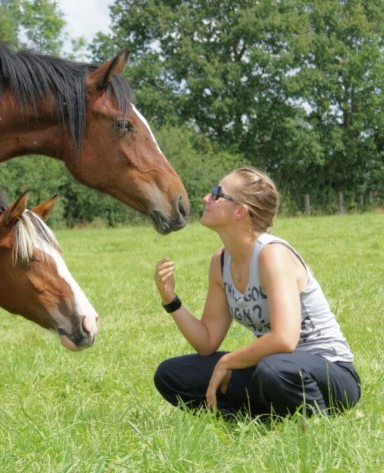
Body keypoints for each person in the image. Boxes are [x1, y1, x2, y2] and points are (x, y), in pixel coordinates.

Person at [153, 166, 360, 418]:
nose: (206, 198)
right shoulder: (220, 262)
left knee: (274, 370)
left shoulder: (272, 254)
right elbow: (207, 342)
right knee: (172, 374)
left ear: (240, 211)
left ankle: (316, 424)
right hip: (273, 367)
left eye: (217, 193)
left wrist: (228, 362)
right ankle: (256, 417)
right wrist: (170, 300)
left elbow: (284, 339)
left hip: (329, 371)